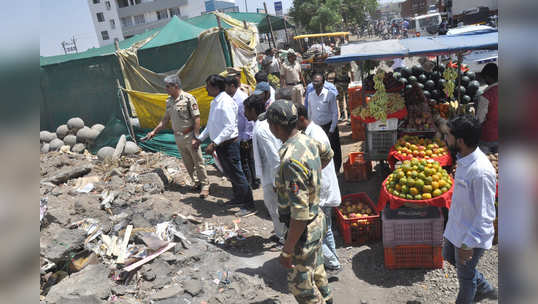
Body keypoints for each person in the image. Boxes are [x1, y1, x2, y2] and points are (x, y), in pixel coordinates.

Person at [264, 99, 333, 304]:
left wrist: (286, 251)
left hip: (304, 231)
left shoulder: (290, 161)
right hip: (317, 220)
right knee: (317, 271)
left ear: (276, 127)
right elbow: (328, 154)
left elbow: (300, 215)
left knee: (301, 286)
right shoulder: (307, 140)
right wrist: (312, 178)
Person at [443, 115, 498, 304]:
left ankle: (477, 290)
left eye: (448, 135)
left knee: (465, 279)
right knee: (448, 256)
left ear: (460, 141)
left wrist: (469, 244)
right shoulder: (463, 158)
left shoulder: (481, 172)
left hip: (469, 235)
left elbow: (486, 215)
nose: (445, 139)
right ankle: (485, 287)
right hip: (457, 226)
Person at [193, 75, 256, 217]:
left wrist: (214, 143)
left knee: (238, 174)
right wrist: (200, 139)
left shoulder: (226, 102)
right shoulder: (215, 102)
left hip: (229, 145)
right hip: (221, 145)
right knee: (231, 174)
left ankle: (249, 205)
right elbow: (210, 124)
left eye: (208, 85)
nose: (206, 88)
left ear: (216, 87)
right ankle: (239, 199)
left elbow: (228, 128)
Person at [143, 75, 209, 198]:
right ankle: (196, 182)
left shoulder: (188, 98)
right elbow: (165, 120)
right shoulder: (169, 101)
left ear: (176, 86)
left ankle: (205, 185)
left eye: (168, 86)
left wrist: (196, 137)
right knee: (188, 162)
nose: (166, 89)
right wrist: (153, 132)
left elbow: (197, 118)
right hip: (178, 137)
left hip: (189, 135)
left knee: (198, 161)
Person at [296, 103, 342, 274]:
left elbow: (321, 162)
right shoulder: (312, 131)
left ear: (301, 119)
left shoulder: (314, 136)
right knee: (326, 228)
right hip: (322, 188)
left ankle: (333, 262)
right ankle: (333, 260)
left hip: (320, 189)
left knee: (316, 230)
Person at [243, 94, 287, 245]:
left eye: (246, 110)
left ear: (253, 110)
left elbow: (274, 157)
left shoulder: (261, 129)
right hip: (272, 173)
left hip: (272, 176)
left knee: (274, 208)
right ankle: (283, 234)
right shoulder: (264, 124)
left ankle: (283, 238)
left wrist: (276, 182)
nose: (244, 114)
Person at [225, 76, 259, 190]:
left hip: (245, 135)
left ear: (232, 86)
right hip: (241, 134)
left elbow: (247, 120)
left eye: (226, 86)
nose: (225, 89)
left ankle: (250, 183)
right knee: (248, 159)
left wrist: (246, 137)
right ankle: (253, 181)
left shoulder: (241, 98)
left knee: (246, 160)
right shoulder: (232, 97)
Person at [307, 73, 342, 174]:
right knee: (319, 150)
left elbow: (335, 113)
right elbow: (309, 112)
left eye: (318, 82)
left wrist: (331, 130)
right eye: (314, 82)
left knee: (334, 149)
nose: (315, 84)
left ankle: (336, 169)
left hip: (329, 127)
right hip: (317, 128)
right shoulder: (310, 96)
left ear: (323, 83)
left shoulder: (330, 95)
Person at [476, 63, 498, 154]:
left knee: (488, 162)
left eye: (484, 77)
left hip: (488, 137)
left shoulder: (486, 96)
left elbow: (479, 119)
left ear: (488, 77)